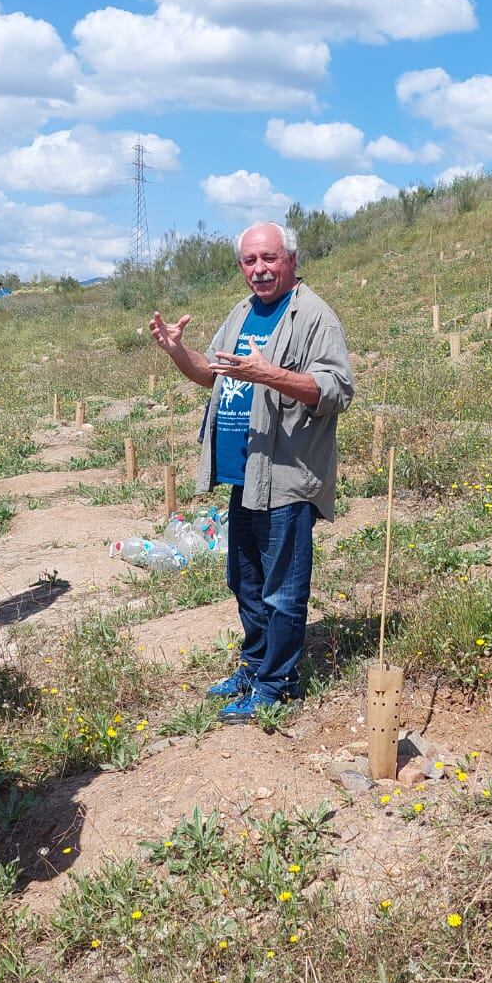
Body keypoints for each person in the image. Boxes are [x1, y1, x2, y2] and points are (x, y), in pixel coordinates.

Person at [149, 221, 354, 724]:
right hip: (244, 472)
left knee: (282, 587)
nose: (259, 270)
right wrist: (178, 352)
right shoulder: (242, 313)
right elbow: (212, 373)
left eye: (269, 258)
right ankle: (256, 663)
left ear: (291, 260)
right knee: (244, 580)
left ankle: (279, 683)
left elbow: (336, 390)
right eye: (249, 261)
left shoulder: (313, 315)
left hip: (286, 474)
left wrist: (271, 375)